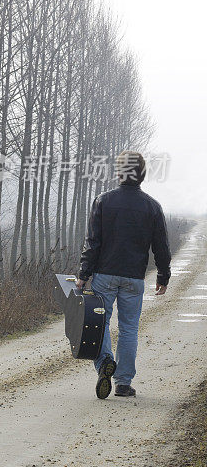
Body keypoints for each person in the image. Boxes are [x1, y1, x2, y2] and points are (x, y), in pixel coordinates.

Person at [75, 150, 171, 399]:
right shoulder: (152, 206)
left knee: (101, 324)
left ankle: (105, 363)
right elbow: (161, 246)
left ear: (119, 172)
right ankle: (123, 383)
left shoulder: (103, 201)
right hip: (134, 278)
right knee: (129, 328)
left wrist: (84, 273)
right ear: (142, 174)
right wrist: (163, 275)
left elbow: (93, 242)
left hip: (105, 275)